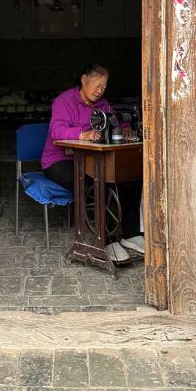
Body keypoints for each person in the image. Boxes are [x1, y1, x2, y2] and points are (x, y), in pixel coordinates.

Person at [41, 62, 144, 263]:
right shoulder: (64, 101)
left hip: (92, 159)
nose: (100, 91)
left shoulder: (102, 104)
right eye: (97, 85)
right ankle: (106, 241)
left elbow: (114, 120)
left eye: (104, 87)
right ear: (84, 80)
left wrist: (123, 129)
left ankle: (130, 235)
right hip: (60, 161)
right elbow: (56, 131)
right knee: (98, 186)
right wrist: (83, 134)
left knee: (129, 179)